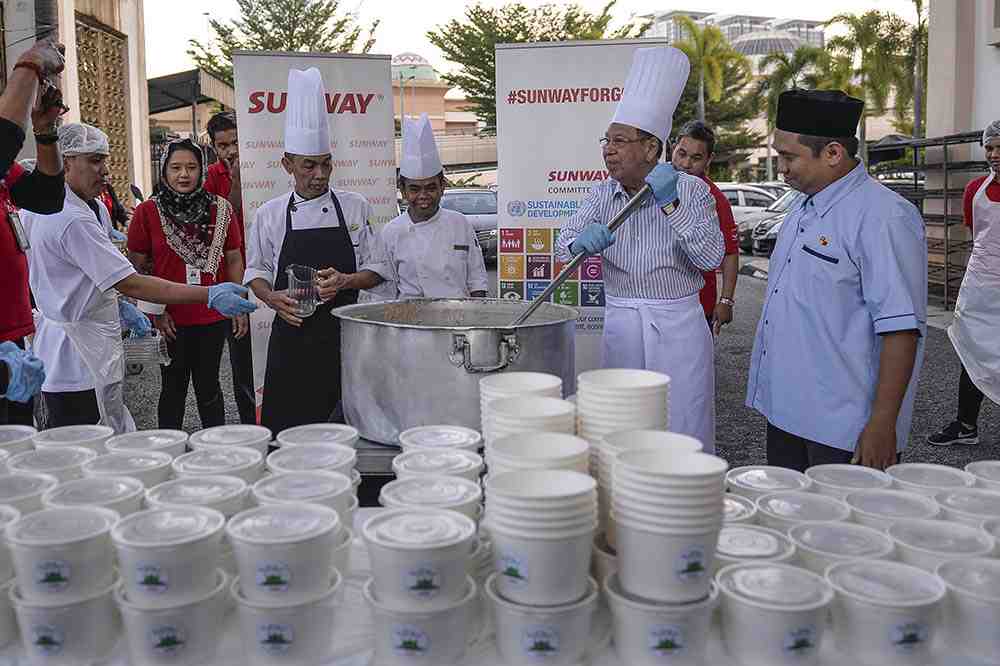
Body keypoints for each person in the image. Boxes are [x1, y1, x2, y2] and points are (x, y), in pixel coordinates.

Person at [22, 123, 255, 433]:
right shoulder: (70, 218)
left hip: (95, 337)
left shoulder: (89, 206)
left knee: (113, 427)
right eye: (94, 160)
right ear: (65, 163)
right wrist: (207, 295)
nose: (105, 170)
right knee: (84, 441)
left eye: (103, 159)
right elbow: (130, 278)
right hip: (74, 352)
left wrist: (119, 306)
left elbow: (93, 276)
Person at [746, 89, 927, 471]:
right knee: (789, 523)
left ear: (832, 153)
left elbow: (901, 330)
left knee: (844, 529)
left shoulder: (883, 217)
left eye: (789, 156)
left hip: (842, 428)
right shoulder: (802, 208)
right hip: (785, 412)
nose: (781, 168)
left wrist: (882, 424)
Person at [555, 47, 725, 452]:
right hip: (623, 322)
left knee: (682, 424)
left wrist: (671, 205)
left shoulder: (691, 190)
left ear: (651, 149)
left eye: (619, 141)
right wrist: (578, 243)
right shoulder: (602, 193)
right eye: (606, 141)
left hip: (678, 326)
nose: (608, 150)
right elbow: (564, 245)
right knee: (624, 425)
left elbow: (711, 258)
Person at [245, 68, 390, 434]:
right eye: (309, 165)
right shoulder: (270, 213)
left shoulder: (355, 206)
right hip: (292, 339)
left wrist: (346, 280)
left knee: (347, 431)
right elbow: (256, 271)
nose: (320, 174)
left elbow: (378, 270)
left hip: (345, 338)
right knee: (288, 433)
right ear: (287, 165)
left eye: (326, 163)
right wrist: (272, 297)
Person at [127, 139, 246, 430]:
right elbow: (136, 267)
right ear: (164, 171)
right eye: (176, 167)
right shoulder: (148, 212)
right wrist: (155, 311)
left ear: (202, 170)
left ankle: (217, 454)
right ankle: (169, 456)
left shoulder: (221, 210)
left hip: (212, 316)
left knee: (210, 389)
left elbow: (233, 258)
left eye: (191, 167)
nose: (184, 175)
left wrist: (238, 304)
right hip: (171, 320)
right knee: (173, 388)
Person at [0, 40, 69, 426]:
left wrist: (45, 131)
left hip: (9, 344)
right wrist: (29, 66)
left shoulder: (4, 174)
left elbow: (46, 196)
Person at [928, 121, 1000, 446]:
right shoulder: (975, 190)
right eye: (989, 147)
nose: (994, 154)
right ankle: (966, 425)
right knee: (971, 352)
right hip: (981, 284)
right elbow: (977, 238)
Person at [381, 114, 488, 298]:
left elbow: (477, 279)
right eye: (414, 189)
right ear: (403, 191)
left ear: (442, 187)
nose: (423, 196)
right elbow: (386, 291)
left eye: (431, 188)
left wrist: (478, 317)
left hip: (458, 317)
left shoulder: (459, 222)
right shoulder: (391, 231)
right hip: (412, 321)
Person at [204, 111, 256, 425]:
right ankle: (251, 422)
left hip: (267, 274)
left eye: (236, 142)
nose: (231, 150)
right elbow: (223, 218)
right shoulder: (210, 176)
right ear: (213, 147)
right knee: (242, 361)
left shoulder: (265, 164)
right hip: (233, 279)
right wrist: (235, 181)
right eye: (223, 145)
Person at [671, 120, 739, 335]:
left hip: (698, 306)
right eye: (681, 153)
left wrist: (726, 300)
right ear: (673, 149)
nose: (686, 163)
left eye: (696, 158)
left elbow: (730, 253)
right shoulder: (650, 187)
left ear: (709, 160)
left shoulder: (715, 199)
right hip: (655, 304)